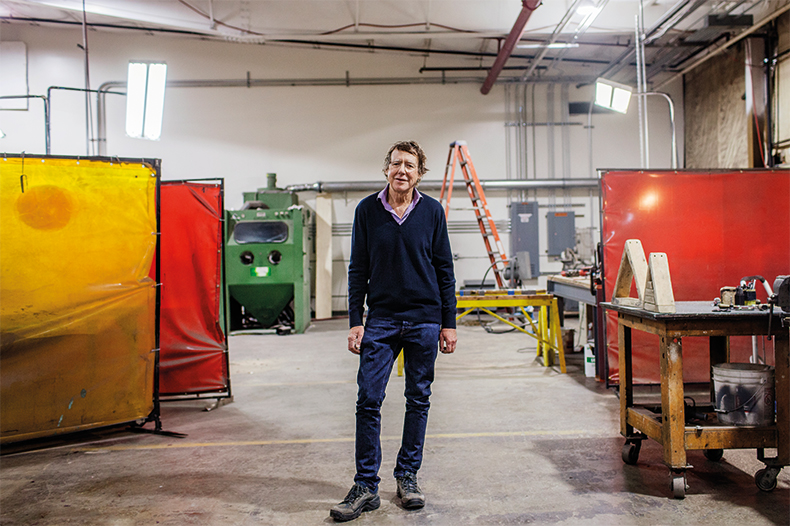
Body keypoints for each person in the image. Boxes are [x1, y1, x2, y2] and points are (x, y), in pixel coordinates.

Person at [330, 140, 458, 522]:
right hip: (381, 320)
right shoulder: (367, 211)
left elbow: (445, 271)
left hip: (424, 319)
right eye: (397, 163)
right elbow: (357, 269)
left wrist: (449, 323)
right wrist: (356, 320)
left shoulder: (432, 211)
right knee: (368, 399)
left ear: (419, 174)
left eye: (411, 165)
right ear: (386, 168)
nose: (402, 170)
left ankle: (407, 476)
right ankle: (366, 485)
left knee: (418, 399)